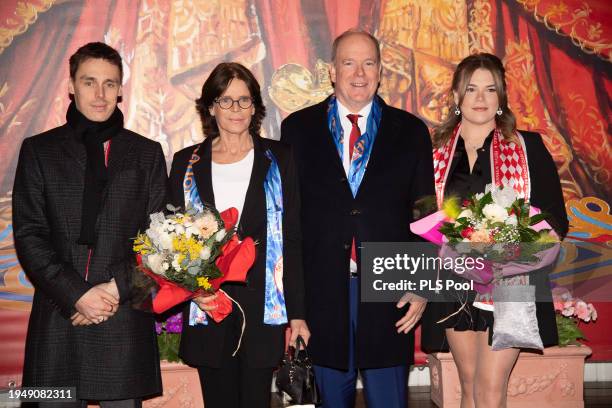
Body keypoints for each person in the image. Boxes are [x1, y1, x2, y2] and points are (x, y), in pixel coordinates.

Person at [281, 29, 434, 408]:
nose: (359, 73)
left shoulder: (411, 130)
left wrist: (422, 283)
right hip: (323, 295)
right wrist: (296, 310)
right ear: (332, 71)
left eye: (368, 63)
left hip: (390, 290)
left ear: (380, 71)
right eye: (349, 63)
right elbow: (292, 225)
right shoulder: (297, 130)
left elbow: (426, 213)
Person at [12, 42, 167, 407]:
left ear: (121, 90)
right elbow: (30, 235)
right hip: (58, 320)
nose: (100, 94)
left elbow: (162, 239)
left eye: (110, 84)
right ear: (70, 86)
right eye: (89, 82)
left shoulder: (146, 153)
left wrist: (113, 291)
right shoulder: (38, 150)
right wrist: (77, 295)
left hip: (123, 320)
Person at [420, 53, 569, 408]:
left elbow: (555, 219)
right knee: (469, 386)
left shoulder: (527, 147)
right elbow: (421, 213)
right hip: (454, 281)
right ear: (456, 95)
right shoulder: (435, 152)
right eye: (471, 89)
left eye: (490, 89)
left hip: (513, 280)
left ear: (501, 97)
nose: (481, 99)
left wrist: (509, 246)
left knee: (491, 389)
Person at [168, 62, 309, 408]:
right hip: (208, 307)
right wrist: (192, 291)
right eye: (226, 100)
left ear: (255, 106)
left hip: (262, 307)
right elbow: (172, 240)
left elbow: (291, 239)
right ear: (211, 106)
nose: (236, 109)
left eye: (244, 100)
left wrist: (298, 314)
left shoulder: (280, 158)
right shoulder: (186, 162)